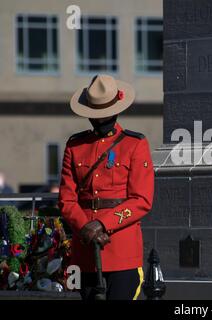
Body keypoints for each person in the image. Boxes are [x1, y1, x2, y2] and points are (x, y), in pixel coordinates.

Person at [58, 74, 154, 300]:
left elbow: (142, 200)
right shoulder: (75, 145)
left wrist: (102, 224)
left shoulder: (135, 144)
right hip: (84, 253)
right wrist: (86, 228)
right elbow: (66, 200)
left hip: (121, 250)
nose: (99, 120)